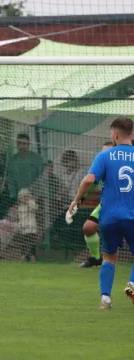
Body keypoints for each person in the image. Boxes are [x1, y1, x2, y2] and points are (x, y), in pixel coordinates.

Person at [68, 117, 134, 310]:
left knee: (109, 257)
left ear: (114, 134)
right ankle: (132, 284)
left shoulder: (105, 156)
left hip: (109, 216)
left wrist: (77, 199)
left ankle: (105, 299)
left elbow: (89, 180)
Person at [76, 141, 114, 268]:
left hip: (128, 204)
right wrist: (78, 202)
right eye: (103, 153)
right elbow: (90, 185)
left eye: (108, 153)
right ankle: (96, 258)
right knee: (88, 227)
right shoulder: (100, 168)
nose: (105, 155)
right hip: (107, 204)